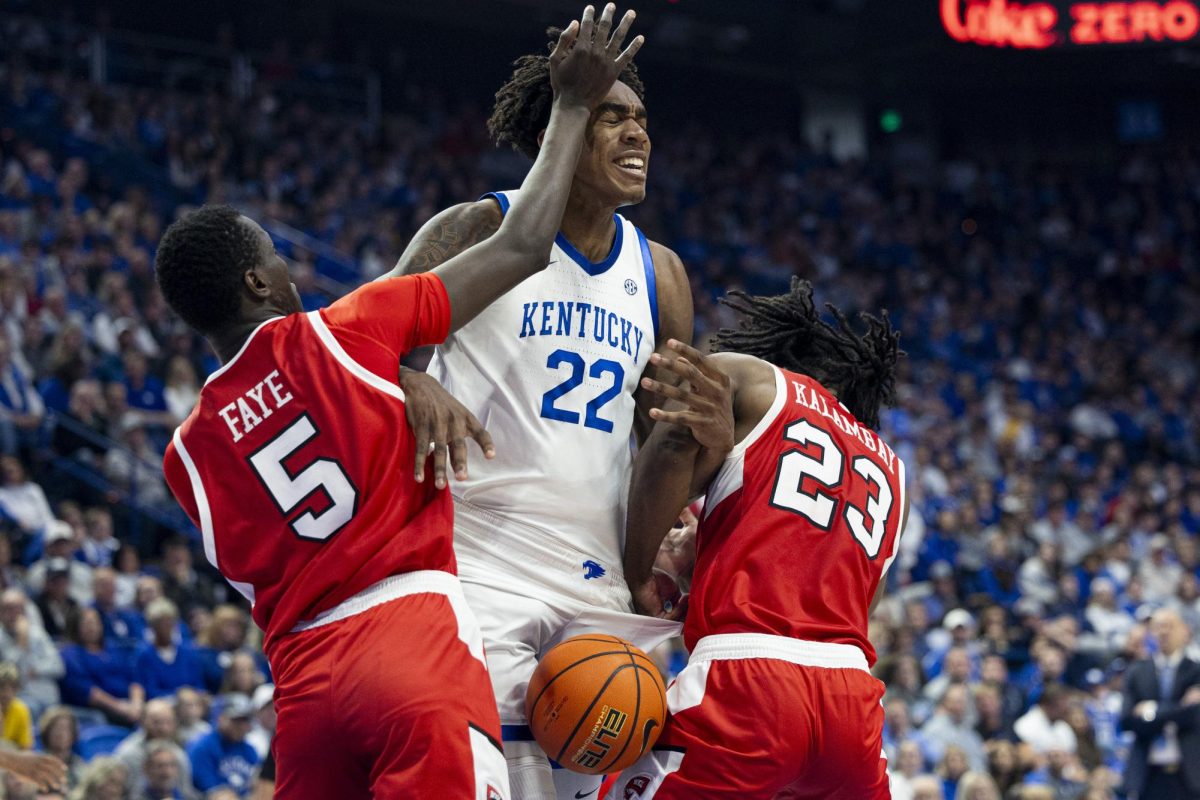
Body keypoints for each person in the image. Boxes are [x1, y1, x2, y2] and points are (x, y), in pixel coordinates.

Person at [157, 10, 642, 799]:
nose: (290, 274)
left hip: (304, 684)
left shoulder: (185, 455)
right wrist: (573, 105)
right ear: (257, 284)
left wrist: (404, 378)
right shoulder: (341, 333)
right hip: (407, 634)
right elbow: (521, 247)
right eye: (277, 261)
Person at [394, 14, 689, 800]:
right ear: (561, 129)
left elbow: (662, 440)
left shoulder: (660, 274)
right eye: (612, 117)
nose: (638, 136)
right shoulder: (477, 227)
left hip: (598, 587)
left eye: (642, 121)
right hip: (481, 565)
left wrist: (661, 547)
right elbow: (359, 350)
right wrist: (411, 376)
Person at [609, 277, 906, 798]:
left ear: (779, 348)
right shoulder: (892, 469)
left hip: (750, 680)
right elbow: (856, 603)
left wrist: (639, 575)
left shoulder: (758, 380)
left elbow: (674, 439)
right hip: (851, 704)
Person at [1119, 608, 1200, 800]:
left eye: (1169, 626)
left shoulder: (1196, 671)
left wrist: (1151, 710)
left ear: (1184, 631)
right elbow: (1127, 720)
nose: (1163, 632)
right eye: (1157, 627)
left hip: (1190, 773)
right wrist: (1179, 708)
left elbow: (1193, 716)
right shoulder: (1136, 671)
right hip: (1147, 773)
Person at [59, 607, 145, 725]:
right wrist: (120, 707)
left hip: (131, 705)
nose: (93, 627)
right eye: (87, 624)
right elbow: (89, 693)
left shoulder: (112, 647)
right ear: (76, 627)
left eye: (96, 622)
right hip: (101, 710)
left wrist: (137, 704)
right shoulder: (71, 655)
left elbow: (134, 678)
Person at [187, 695, 259, 798]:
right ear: (221, 718)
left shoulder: (249, 749)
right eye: (236, 720)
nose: (242, 726)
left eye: (245, 721)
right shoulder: (202, 747)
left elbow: (260, 783)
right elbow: (212, 792)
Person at [134, 598, 205, 699]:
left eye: (170, 622)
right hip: (164, 704)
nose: (167, 627)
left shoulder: (188, 651)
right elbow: (150, 691)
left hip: (192, 701)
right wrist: (178, 697)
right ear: (153, 627)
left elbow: (199, 684)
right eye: (162, 624)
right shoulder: (145, 655)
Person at [38, 705, 85, 790]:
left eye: (66, 729)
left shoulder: (79, 765)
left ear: (73, 734)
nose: (61, 734)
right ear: (47, 732)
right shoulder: (38, 762)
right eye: (56, 728)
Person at [0, 661, 33, 749]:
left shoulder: (21, 710)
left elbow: (25, 748)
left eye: (12, 687)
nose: (6, 693)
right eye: (1, 686)